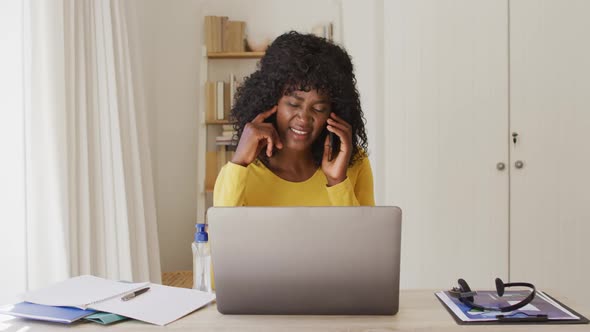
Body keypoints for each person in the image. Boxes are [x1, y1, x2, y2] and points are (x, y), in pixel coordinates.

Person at [213, 31, 374, 206]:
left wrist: (337, 181)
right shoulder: (242, 169)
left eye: (319, 108)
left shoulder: (353, 162)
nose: (304, 119)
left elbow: (363, 233)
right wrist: (239, 163)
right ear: (271, 101)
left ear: (333, 112)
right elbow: (222, 231)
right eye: (293, 104)